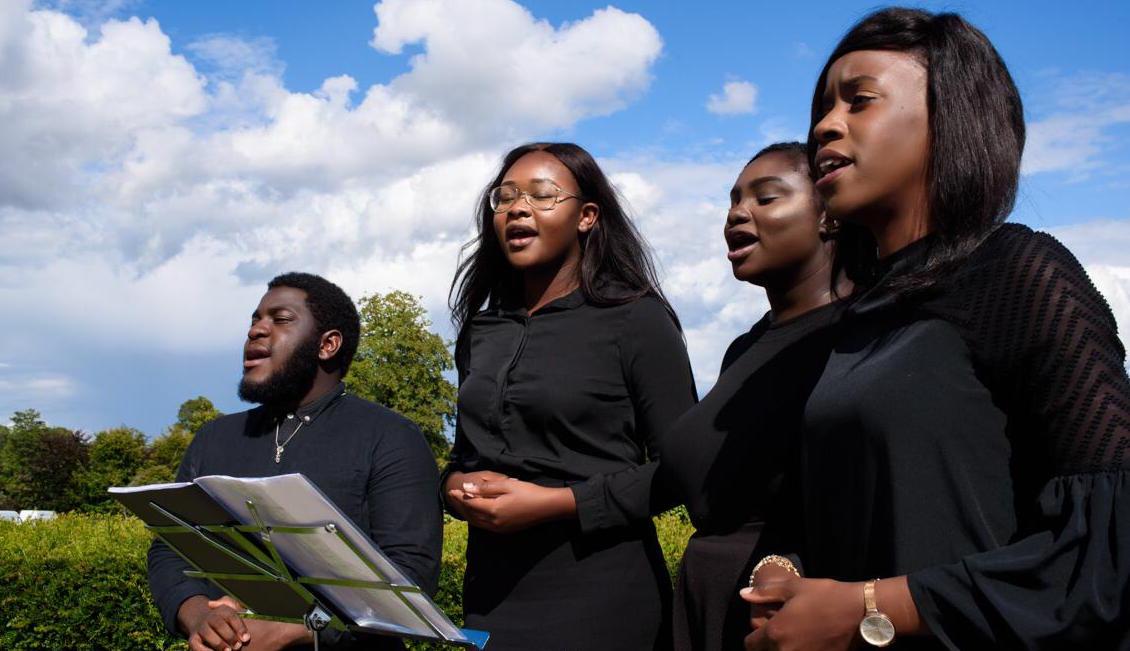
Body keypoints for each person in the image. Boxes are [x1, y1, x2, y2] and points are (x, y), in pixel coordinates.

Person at [740, 8, 1130, 650]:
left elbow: (1105, 557)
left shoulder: (1016, 272)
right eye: (822, 108)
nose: (824, 126)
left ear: (951, 117)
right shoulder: (855, 321)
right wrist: (786, 567)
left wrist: (870, 609)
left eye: (858, 101)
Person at [444, 142, 697, 650]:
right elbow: (466, 454)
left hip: (600, 593)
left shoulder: (636, 319)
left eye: (542, 196)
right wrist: (452, 488)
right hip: (490, 595)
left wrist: (558, 503)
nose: (518, 208)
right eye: (505, 197)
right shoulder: (482, 330)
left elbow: (682, 470)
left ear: (586, 216)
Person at [147, 272, 443, 651]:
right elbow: (171, 549)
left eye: (280, 319)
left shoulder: (391, 437)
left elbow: (412, 575)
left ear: (328, 344)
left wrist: (299, 631)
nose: (256, 330)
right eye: (254, 319)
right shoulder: (212, 439)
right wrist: (199, 615)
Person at [661, 142, 848, 651]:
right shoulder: (744, 347)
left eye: (766, 198)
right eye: (733, 201)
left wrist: (791, 561)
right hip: (705, 599)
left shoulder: (858, 339)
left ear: (828, 216)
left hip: (782, 608)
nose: (737, 213)